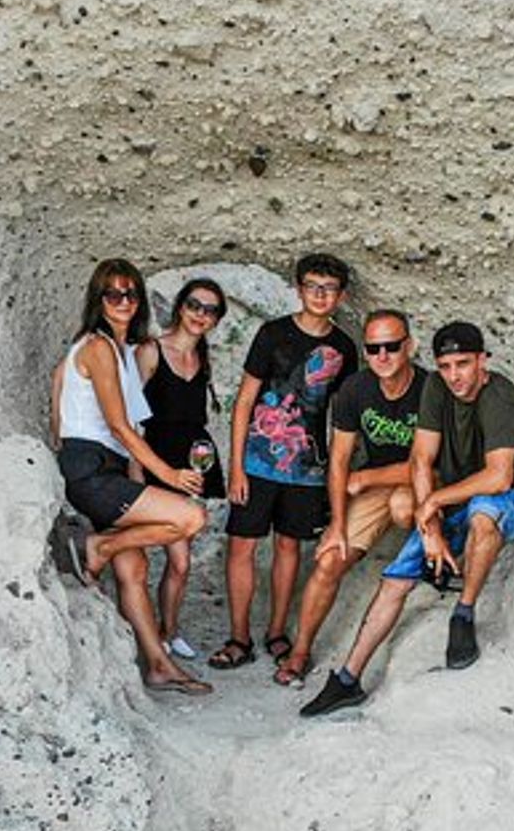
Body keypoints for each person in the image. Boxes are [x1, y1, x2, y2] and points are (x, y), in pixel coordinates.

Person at [300, 321, 514, 716]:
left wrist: (432, 503)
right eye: (446, 366)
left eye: (463, 364)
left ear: (482, 360)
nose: (454, 376)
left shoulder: (500, 396)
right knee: (395, 578)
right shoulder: (436, 387)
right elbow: (420, 459)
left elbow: (498, 477)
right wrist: (430, 528)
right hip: (457, 497)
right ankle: (347, 678)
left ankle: (463, 614)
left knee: (483, 512)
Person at [50, 259, 212, 696]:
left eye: (131, 294)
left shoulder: (119, 351)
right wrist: (169, 475)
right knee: (190, 518)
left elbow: (58, 380)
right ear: (98, 300)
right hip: (92, 468)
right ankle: (99, 546)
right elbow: (120, 427)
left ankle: (158, 665)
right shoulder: (98, 346)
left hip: (106, 466)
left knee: (134, 568)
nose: (123, 301)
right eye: (113, 294)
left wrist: (61, 430)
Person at [207, 253, 360, 670]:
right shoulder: (273, 334)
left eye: (329, 289)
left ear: (341, 296)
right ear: (298, 289)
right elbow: (244, 402)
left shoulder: (344, 348)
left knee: (289, 546)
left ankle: (276, 632)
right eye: (312, 286)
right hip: (256, 463)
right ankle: (239, 638)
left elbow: (342, 417)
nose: (320, 295)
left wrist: (336, 471)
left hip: (307, 469)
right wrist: (236, 467)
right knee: (242, 545)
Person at [273, 309, 426, 687]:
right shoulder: (356, 389)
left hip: (422, 483)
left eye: (392, 346)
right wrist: (338, 525)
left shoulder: (430, 389)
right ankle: (300, 652)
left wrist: (365, 478)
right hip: (376, 486)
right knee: (329, 560)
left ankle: (429, 563)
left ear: (409, 346)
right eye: (373, 348)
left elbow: (426, 465)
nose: (382, 356)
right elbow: (339, 460)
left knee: (402, 506)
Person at [134, 278, 229, 662]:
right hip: (152, 459)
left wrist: (202, 464)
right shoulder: (150, 351)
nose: (201, 314)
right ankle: (142, 634)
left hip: (190, 466)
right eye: (194, 305)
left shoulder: (203, 359)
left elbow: (194, 421)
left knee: (181, 560)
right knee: (140, 556)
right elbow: (128, 419)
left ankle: (169, 632)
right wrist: (135, 472)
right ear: (179, 307)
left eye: (211, 310)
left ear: (217, 320)